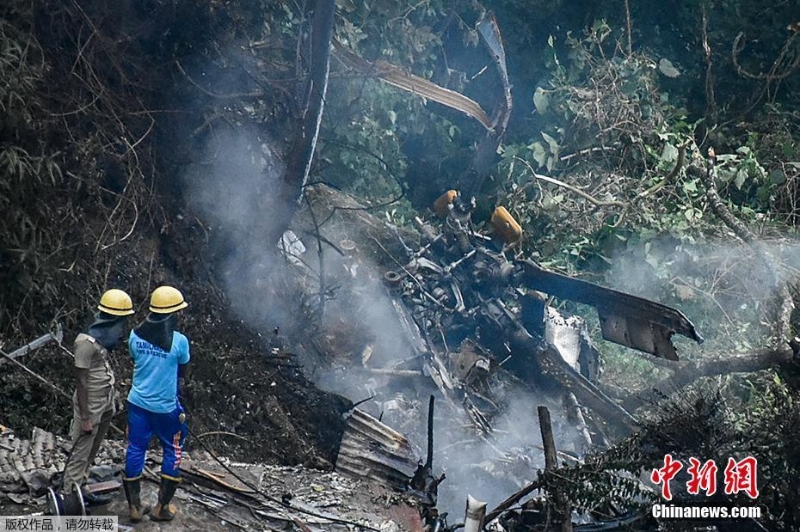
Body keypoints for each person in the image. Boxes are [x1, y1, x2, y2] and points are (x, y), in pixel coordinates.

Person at [123, 285, 190, 522]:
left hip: (138, 405)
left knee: (135, 449)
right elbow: (183, 370)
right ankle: (161, 508)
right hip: (166, 409)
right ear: (172, 314)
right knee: (173, 449)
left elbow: (136, 359)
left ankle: (133, 507)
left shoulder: (134, 336)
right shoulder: (180, 342)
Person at [62, 289, 135, 504]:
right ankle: (70, 496)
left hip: (104, 400)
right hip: (90, 403)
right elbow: (82, 380)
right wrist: (85, 417)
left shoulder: (101, 340)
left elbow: (102, 368)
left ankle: (81, 487)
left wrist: (114, 398)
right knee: (81, 449)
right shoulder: (85, 343)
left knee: (93, 448)